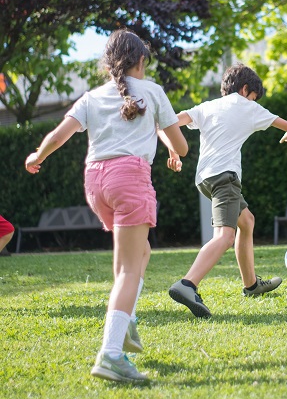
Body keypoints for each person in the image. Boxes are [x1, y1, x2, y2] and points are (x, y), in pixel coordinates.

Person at [25, 29, 188, 383]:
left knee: (137, 253)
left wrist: (38, 155)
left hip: (95, 182)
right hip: (129, 178)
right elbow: (182, 145)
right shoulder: (153, 92)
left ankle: (125, 319)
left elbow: (60, 134)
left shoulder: (93, 96)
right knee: (132, 267)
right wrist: (174, 147)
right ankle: (111, 354)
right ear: (141, 60)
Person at [167, 63, 287, 318]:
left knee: (246, 221)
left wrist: (173, 150)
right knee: (225, 236)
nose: (253, 101)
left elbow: (174, 122)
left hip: (204, 178)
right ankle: (187, 284)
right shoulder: (248, 106)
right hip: (225, 178)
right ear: (246, 89)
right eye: (253, 96)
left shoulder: (208, 106)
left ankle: (251, 285)